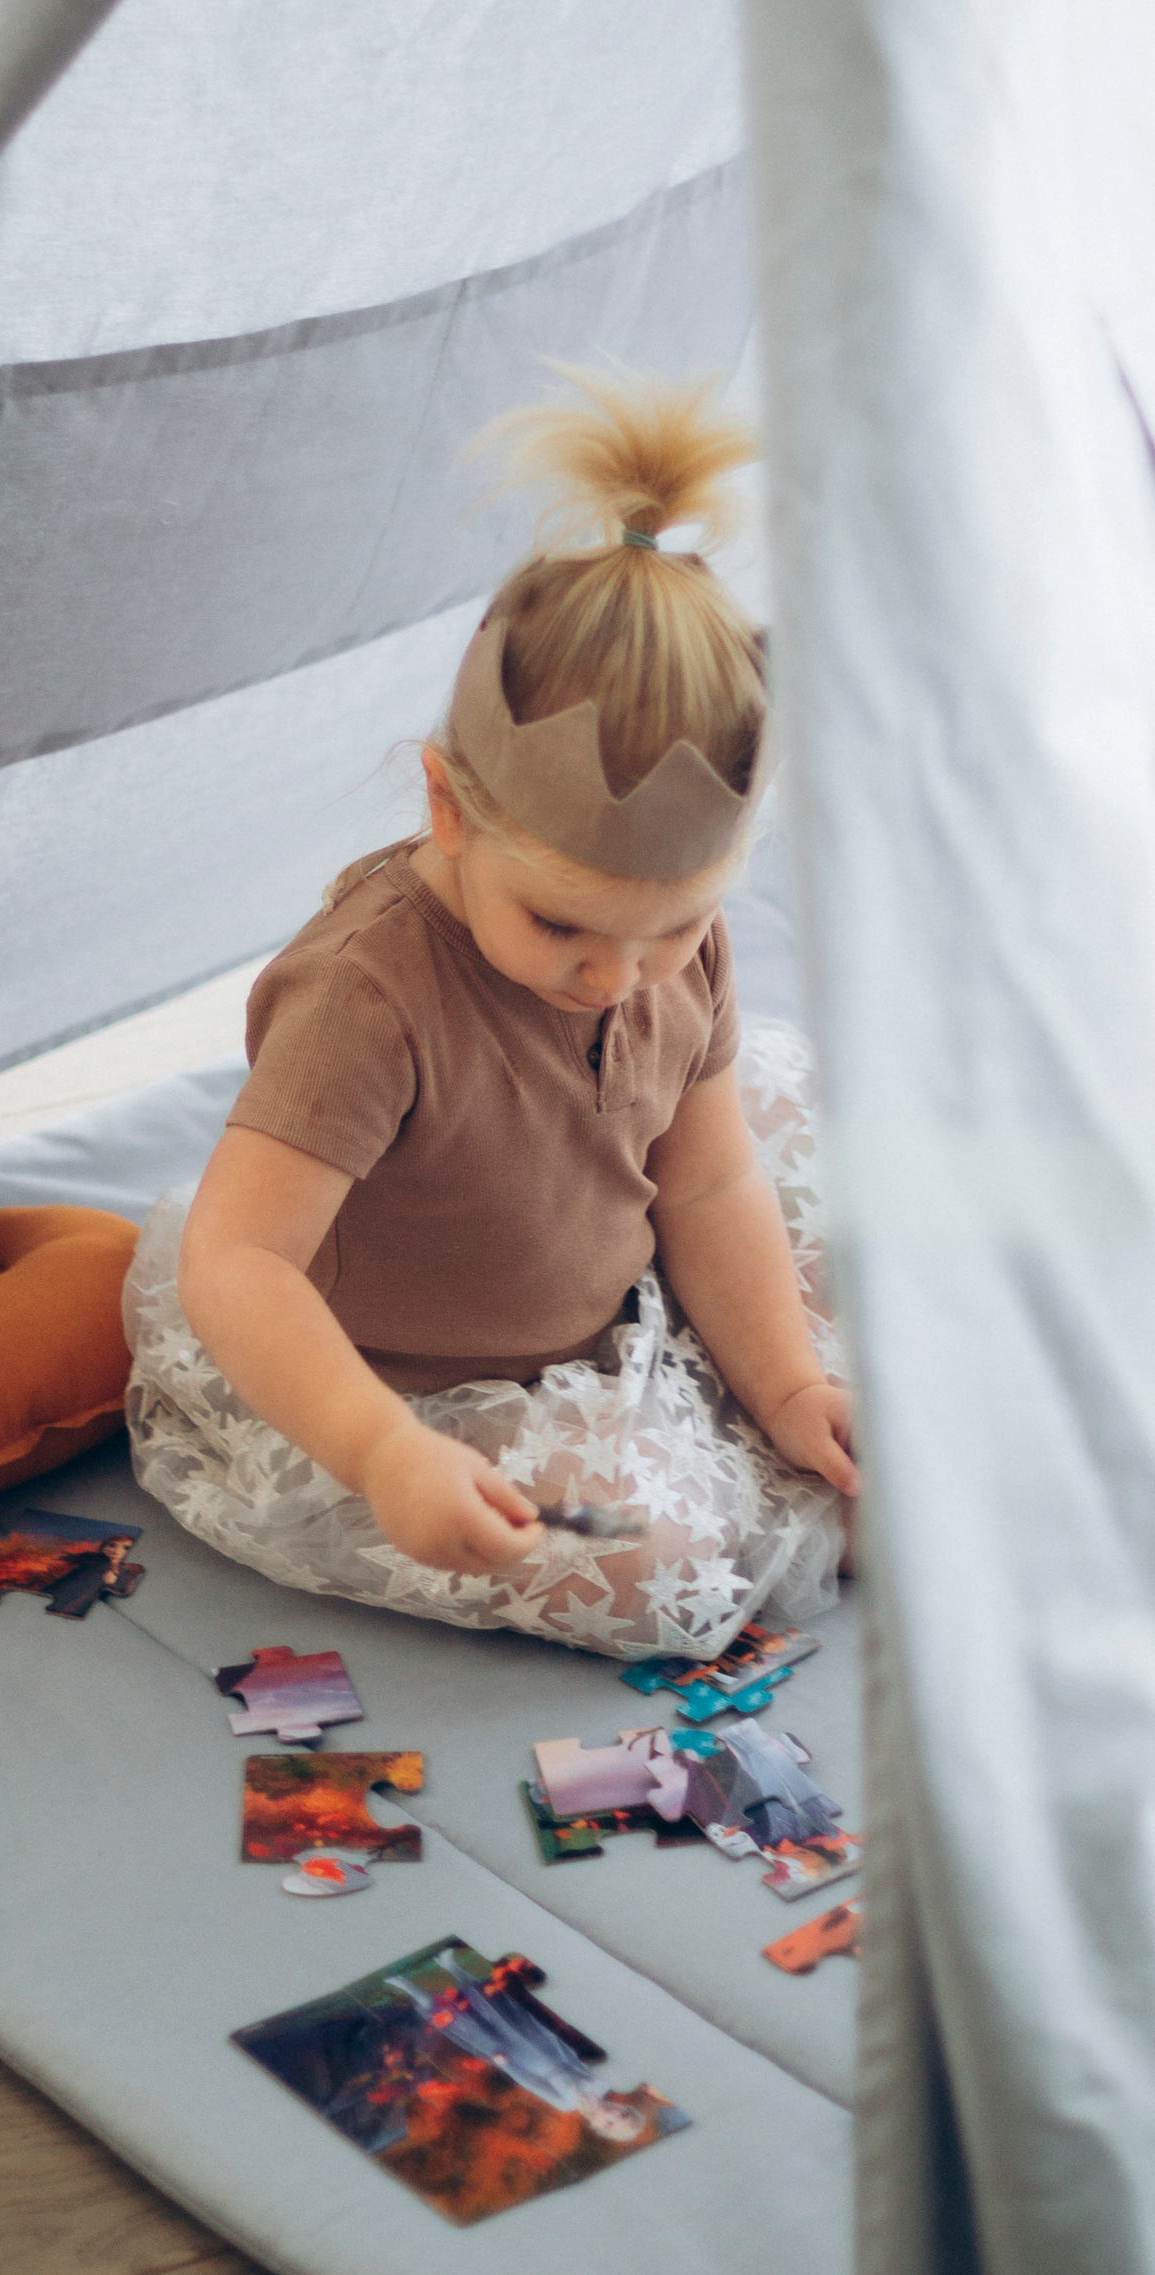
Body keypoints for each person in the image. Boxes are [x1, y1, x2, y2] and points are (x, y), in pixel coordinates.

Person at [124, 372, 857, 1657]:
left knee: (833, 1147)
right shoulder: (370, 996)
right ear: (447, 809)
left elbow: (705, 1181)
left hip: (619, 1287)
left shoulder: (672, 954)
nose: (614, 979)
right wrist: (381, 1451)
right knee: (639, 1549)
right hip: (417, 1385)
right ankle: (584, 1461)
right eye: (562, 925)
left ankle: (787, 1405)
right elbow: (238, 1264)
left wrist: (789, 1384)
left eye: (670, 927)